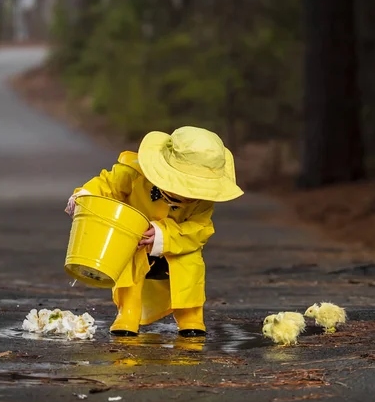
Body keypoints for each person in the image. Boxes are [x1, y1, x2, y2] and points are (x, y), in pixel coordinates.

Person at [65, 126, 244, 337]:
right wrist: (85, 196)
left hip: (177, 244)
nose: (186, 196)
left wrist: (163, 235)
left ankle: (190, 315)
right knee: (129, 266)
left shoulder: (203, 201)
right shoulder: (134, 173)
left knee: (190, 266)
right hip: (135, 241)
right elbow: (107, 184)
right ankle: (128, 313)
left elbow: (200, 228)